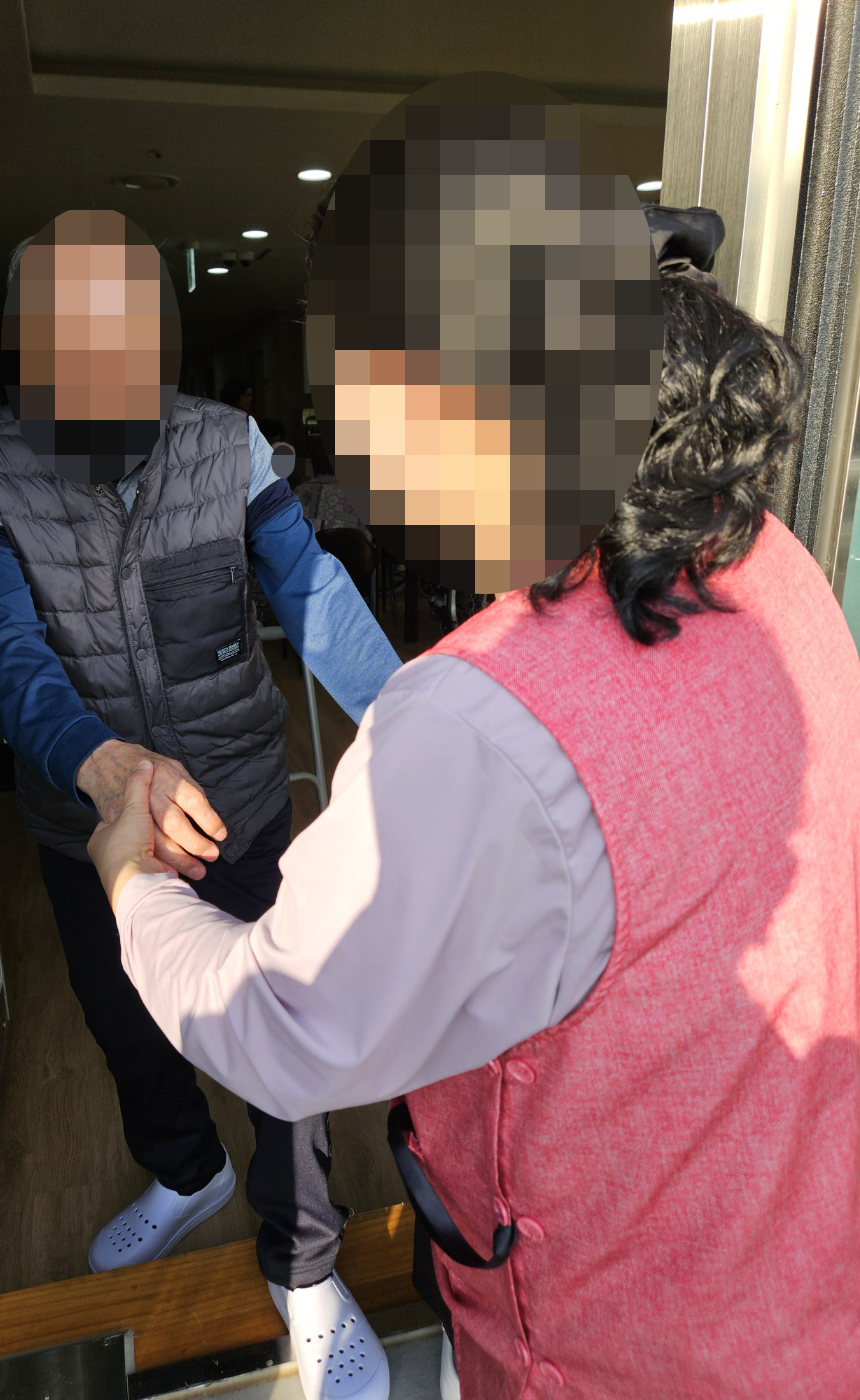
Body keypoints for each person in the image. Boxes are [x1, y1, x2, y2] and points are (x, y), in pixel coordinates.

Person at [87, 215, 860, 1399]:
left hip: (615, 1351)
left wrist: (130, 879)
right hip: (806, 1276)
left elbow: (283, 1029)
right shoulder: (776, 564)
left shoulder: (480, 723)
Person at [0, 209, 400, 1400]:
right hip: (90, 827)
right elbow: (1, 643)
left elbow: (312, 589)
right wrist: (104, 768)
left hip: (240, 804)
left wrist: (410, 718)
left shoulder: (224, 443)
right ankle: (187, 1168)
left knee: (281, 1029)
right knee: (127, 1020)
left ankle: (303, 1260)